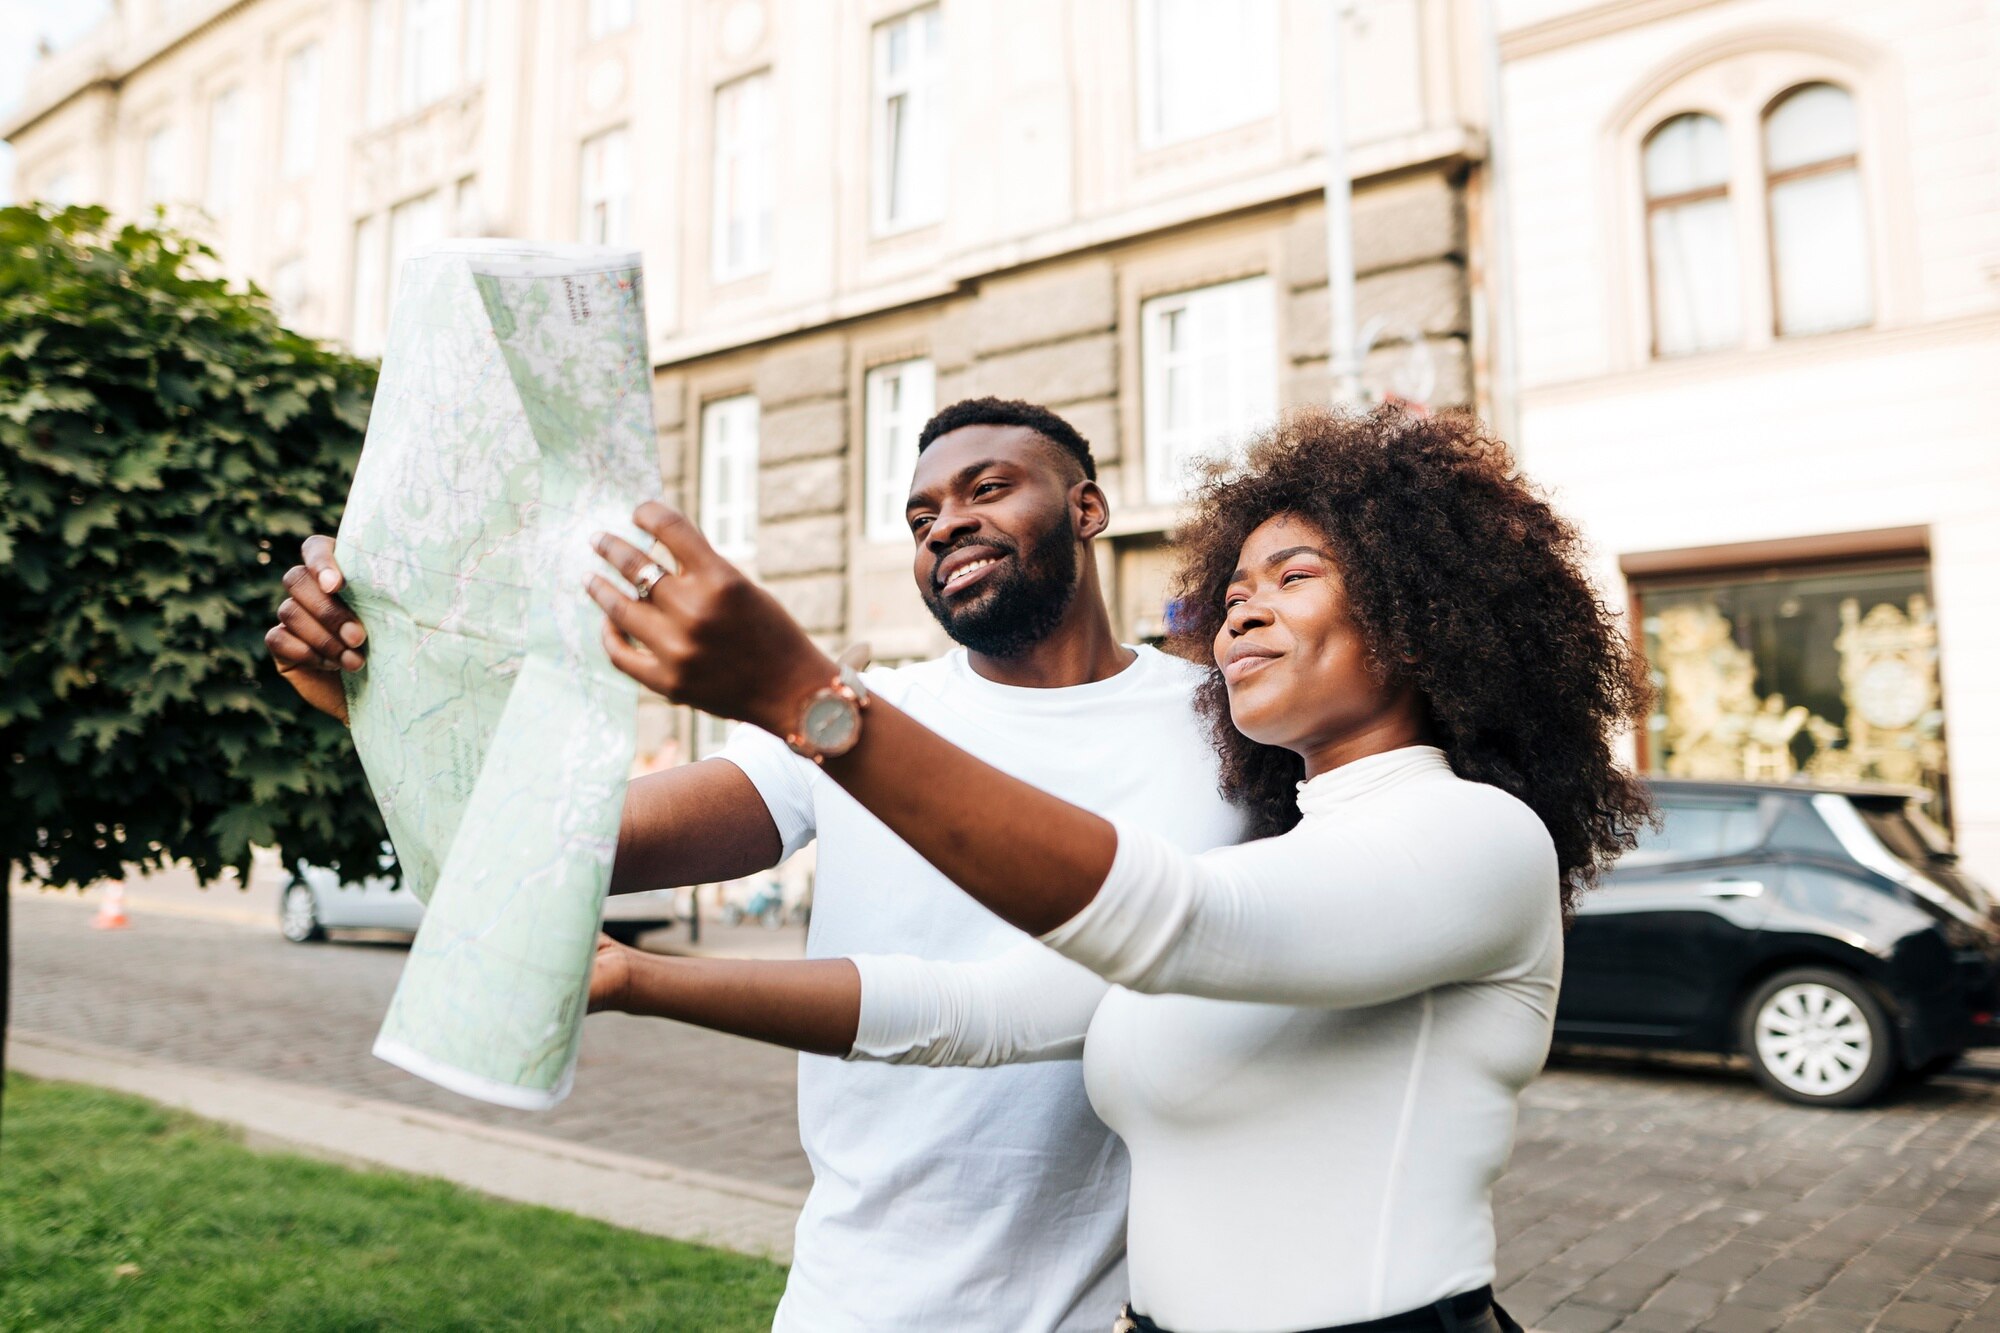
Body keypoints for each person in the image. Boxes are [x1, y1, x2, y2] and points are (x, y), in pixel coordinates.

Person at [580, 407, 1654, 1333]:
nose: (1239, 607)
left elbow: (1170, 920)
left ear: (1419, 621)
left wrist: (808, 700)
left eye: (1294, 575)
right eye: (1233, 585)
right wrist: (637, 981)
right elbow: (972, 1011)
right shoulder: (1288, 844)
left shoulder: (1473, 837)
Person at [266, 397, 1249, 1333]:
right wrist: (376, 700)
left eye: (985, 490)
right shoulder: (842, 715)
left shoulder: (1232, 727)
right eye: (919, 515)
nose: (943, 525)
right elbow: (556, 838)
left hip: (1139, 1304)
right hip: (856, 1300)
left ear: (1087, 508)